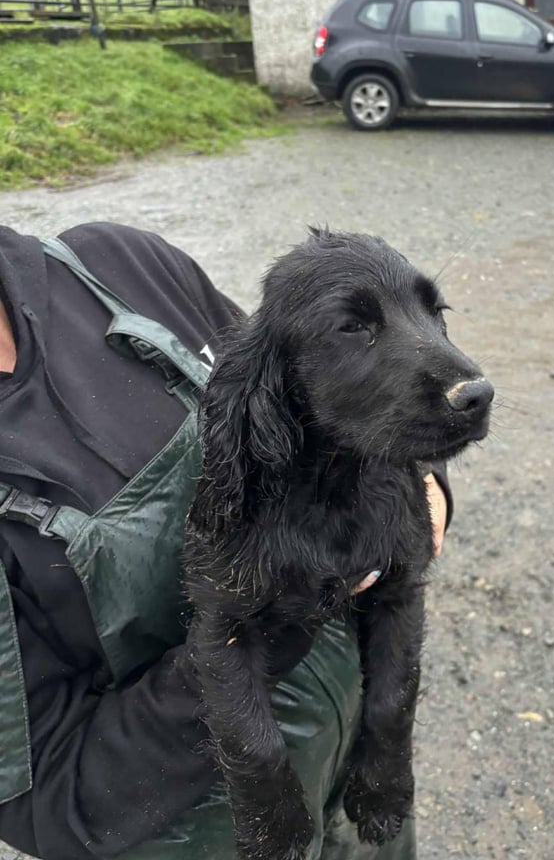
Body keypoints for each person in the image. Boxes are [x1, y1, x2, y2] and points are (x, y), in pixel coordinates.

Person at [0, 222, 450, 860]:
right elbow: (38, 800)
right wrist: (252, 640)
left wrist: (421, 475)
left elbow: (311, 395)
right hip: (196, 823)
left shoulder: (117, 263)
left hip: (352, 746)